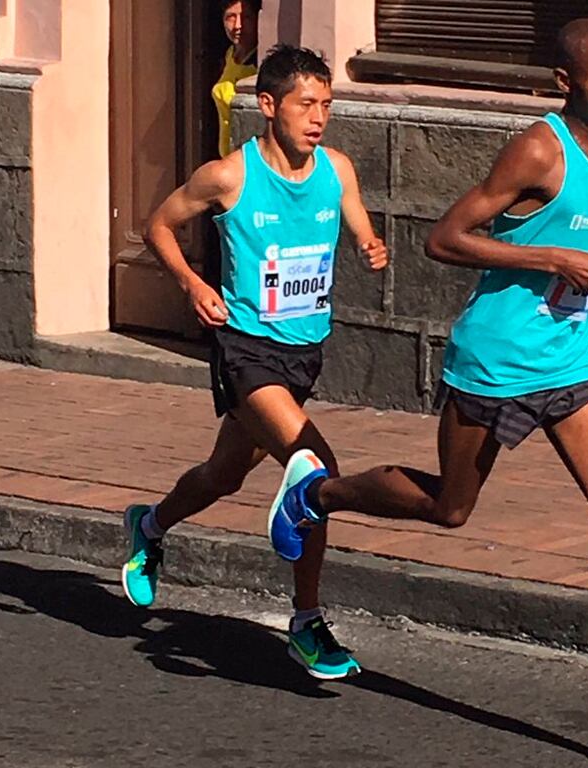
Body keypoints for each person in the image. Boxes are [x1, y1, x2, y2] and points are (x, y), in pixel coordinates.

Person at [265, 19, 588, 751]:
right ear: (565, 83)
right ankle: (316, 495)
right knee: (449, 506)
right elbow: (445, 237)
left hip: (567, 364)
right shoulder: (538, 147)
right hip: (492, 362)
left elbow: (582, 244)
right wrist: (554, 259)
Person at [122, 44, 388, 682]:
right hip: (245, 350)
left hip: (304, 354)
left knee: (223, 476)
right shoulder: (229, 176)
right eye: (306, 104)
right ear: (268, 106)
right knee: (315, 471)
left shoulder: (337, 169)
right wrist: (191, 284)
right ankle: (308, 621)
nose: (318, 117)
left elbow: (357, 223)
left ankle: (149, 525)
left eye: (326, 104)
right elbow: (158, 225)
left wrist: (371, 243)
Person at [212, 0, 261, 159]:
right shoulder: (230, 54)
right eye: (230, 17)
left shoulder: (259, 62)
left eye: (246, 17)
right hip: (227, 157)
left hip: (246, 159)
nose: (238, 25)